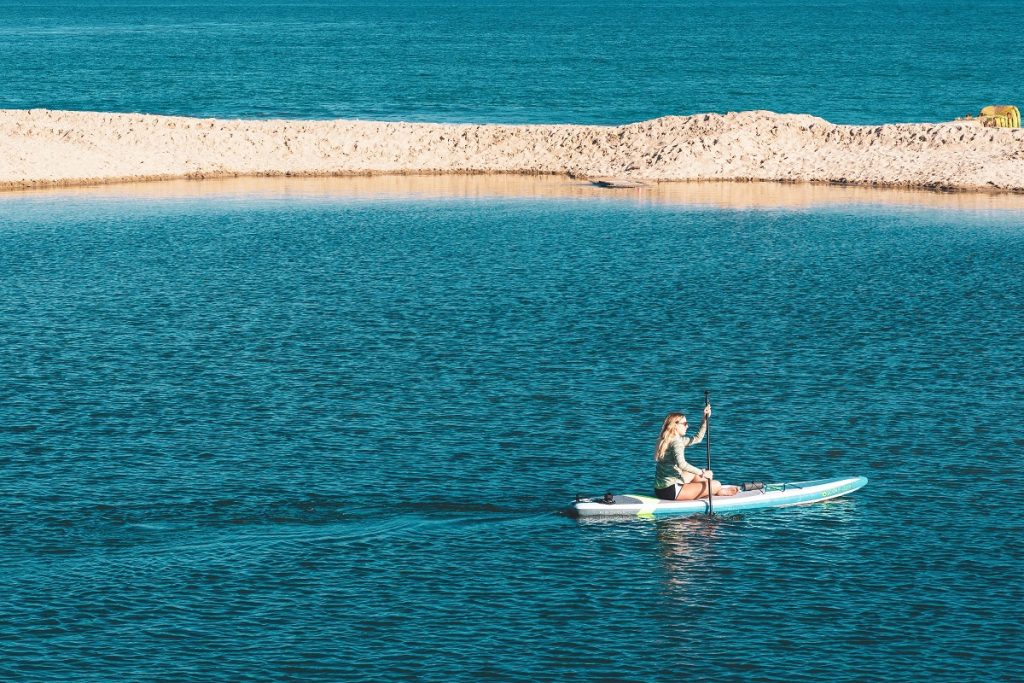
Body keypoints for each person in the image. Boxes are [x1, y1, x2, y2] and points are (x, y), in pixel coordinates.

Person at [654, 404, 739, 500]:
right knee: (716, 484)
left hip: (659, 490)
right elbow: (682, 464)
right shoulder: (677, 442)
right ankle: (715, 490)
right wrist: (702, 473)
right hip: (672, 492)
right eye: (685, 424)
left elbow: (697, 439)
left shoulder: (664, 439)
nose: (687, 426)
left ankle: (706, 490)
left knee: (691, 473)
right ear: (675, 425)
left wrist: (705, 419)